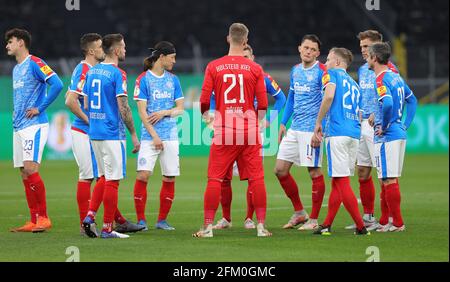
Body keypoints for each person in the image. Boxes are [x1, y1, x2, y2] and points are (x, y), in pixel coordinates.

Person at [194, 23, 271, 238]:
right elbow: (263, 103)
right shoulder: (255, 68)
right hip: (249, 130)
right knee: (257, 178)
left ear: (228, 38)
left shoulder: (214, 66)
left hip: (224, 129)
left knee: (215, 179)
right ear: (245, 41)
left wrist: (205, 116)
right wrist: (256, 122)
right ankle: (261, 227)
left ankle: (208, 227)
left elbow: (203, 100)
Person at [66, 33, 143, 236]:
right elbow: (123, 106)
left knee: (102, 177)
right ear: (116, 50)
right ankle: (108, 228)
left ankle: (89, 217)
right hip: (111, 133)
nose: (125, 50)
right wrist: (133, 134)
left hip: (94, 132)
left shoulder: (91, 72)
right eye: (124, 47)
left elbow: (83, 101)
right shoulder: (119, 74)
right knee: (113, 180)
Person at [210, 44, 286, 230]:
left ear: (252, 57)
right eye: (241, 56)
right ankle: (226, 219)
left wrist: (268, 120)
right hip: (228, 129)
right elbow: (212, 97)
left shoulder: (262, 76)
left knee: (253, 177)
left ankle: (249, 218)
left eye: (246, 56)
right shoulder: (226, 75)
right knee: (224, 178)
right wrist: (213, 116)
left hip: (251, 131)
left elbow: (281, 99)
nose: (243, 59)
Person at [6, 28, 63, 233]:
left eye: (10, 41)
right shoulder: (16, 69)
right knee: (23, 172)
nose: (7, 46)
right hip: (18, 126)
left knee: (31, 169)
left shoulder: (35, 63)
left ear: (21, 42)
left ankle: (44, 218)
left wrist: (40, 107)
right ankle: (33, 220)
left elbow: (57, 84)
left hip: (35, 124)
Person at [311, 47, 369, 236]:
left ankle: (361, 226)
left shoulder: (331, 74)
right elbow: (360, 113)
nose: (325, 63)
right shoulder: (354, 83)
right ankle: (326, 224)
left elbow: (328, 96)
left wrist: (318, 122)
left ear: (336, 62)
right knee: (338, 180)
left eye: (328, 59)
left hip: (337, 132)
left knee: (342, 181)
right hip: (354, 133)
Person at [345, 30, 399, 231]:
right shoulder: (362, 69)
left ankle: (388, 219)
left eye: (366, 47)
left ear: (378, 47)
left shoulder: (390, 70)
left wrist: (378, 114)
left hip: (379, 128)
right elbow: (363, 94)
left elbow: (395, 97)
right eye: (361, 47)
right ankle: (368, 217)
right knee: (362, 171)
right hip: (362, 126)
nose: (363, 51)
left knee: (385, 173)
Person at [274, 35, 327, 230]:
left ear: (318, 53)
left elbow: (328, 100)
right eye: (306, 48)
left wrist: (320, 128)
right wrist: (282, 123)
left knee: (314, 172)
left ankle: (313, 220)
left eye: (313, 49)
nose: (308, 52)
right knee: (280, 170)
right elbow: (291, 98)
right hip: (295, 128)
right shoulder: (295, 70)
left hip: (311, 129)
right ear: (299, 48)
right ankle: (300, 212)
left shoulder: (322, 71)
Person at [133, 41, 184, 231]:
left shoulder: (173, 80)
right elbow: (142, 113)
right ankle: (141, 221)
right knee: (143, 175)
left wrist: (164, 113)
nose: (174, 61)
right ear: (161, 57)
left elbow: (180, 109)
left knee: (169, 178)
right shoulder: (143, 80)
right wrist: (154, 136)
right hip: (149, 137)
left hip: (170, 135)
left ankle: (162, 220)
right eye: (172, 57)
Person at [367, 42, 417, 232]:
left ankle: (397, 223)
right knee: (390, 179)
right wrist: (404, 124)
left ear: (375, 58)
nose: (367, 59)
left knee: (388, 180)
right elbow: (412, 100)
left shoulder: (380, 80)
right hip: (398, 133)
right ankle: (390, 221)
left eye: (369, 55)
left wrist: (385, 125)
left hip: (387, 136)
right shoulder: (396, 77)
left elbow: (387, 103)